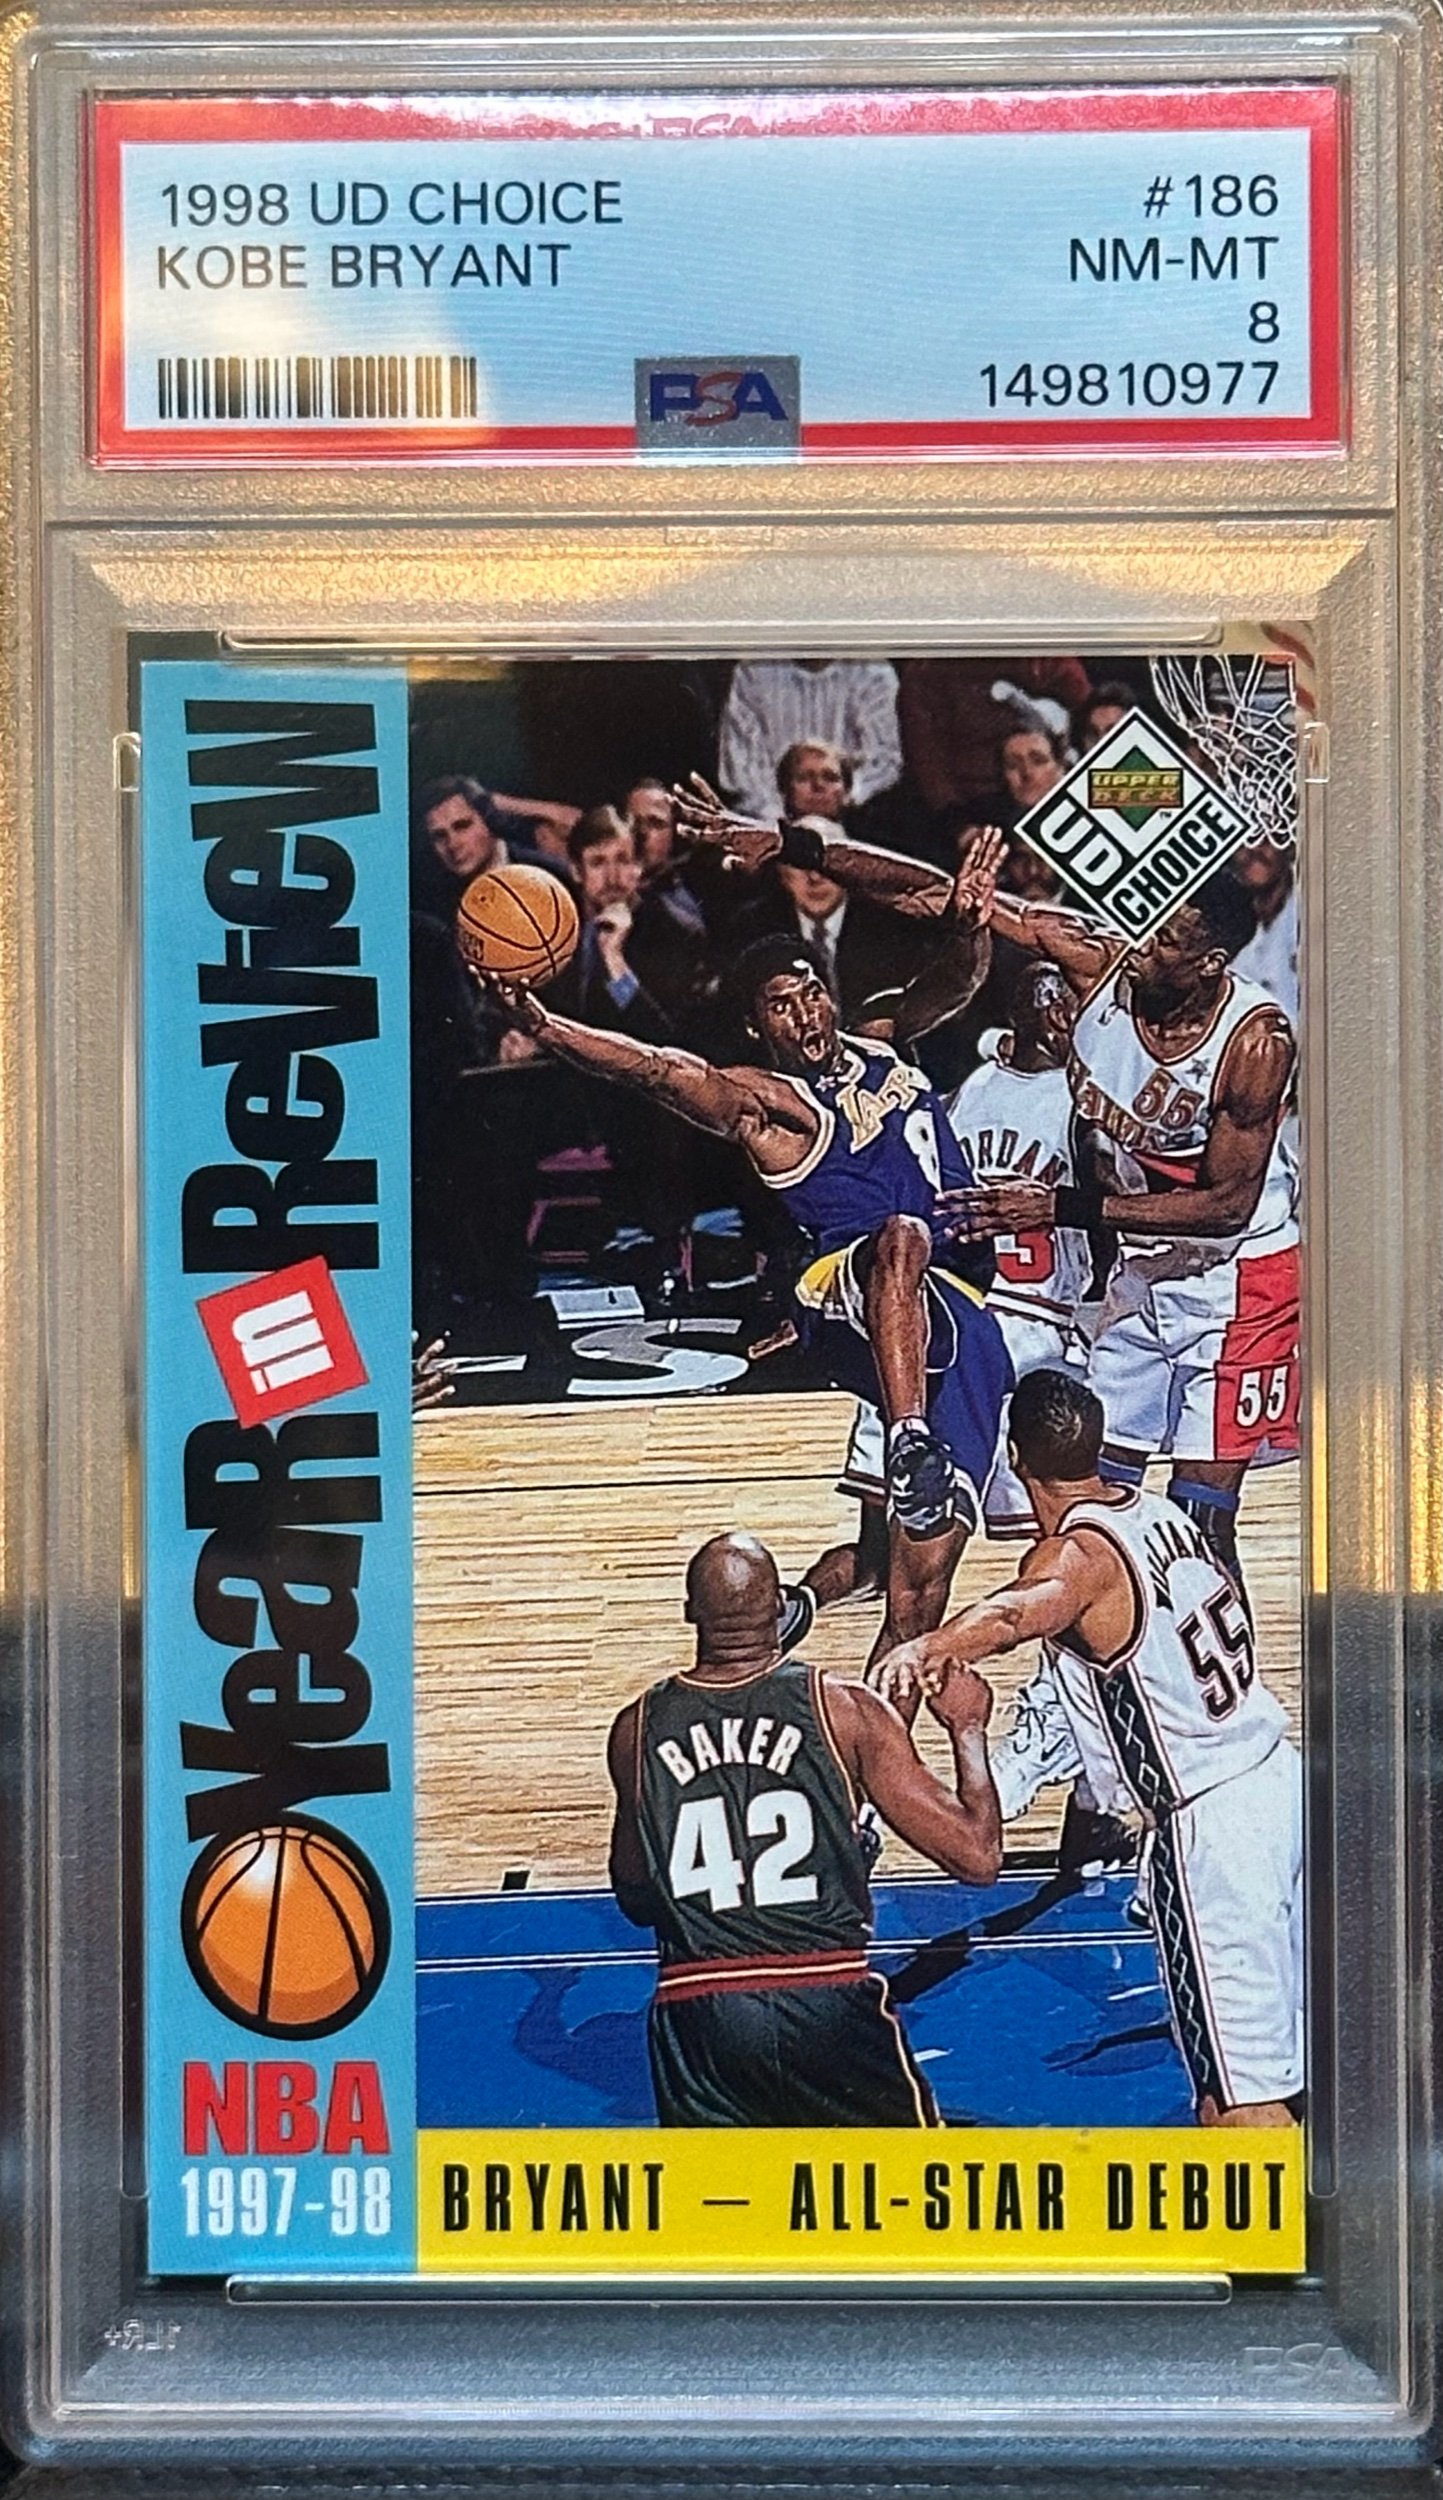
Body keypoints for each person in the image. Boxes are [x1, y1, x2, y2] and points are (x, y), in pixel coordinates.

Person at [482, 826, 1011, 1602]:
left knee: (905, 1570)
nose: (806, 1015)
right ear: (756, 1030)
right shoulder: (769, 1107)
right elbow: (656, 1070)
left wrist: (968, 925)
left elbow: (957, 982)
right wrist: (548, 1028)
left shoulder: (882, 1038)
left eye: (811, 993)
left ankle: (807, 1607)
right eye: (781, 1007)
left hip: (951, 1296)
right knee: (901, 1237)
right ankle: (908, 1443)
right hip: (846, 1289)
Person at [880, 1370, 1303, 2126]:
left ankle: (1266, 2215)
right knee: (1293, 2060)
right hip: (1277, 1780)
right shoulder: (1162, 1514)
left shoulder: (1074, 1558)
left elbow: (1016, 1615)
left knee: (1237, 2099)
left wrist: (930, 1646)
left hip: (1212, 1825)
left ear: (1014, 1457)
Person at [949, 877, 1299, 1610]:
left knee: (1201, 1523)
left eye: (1166, 939)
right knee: (1085, 1506)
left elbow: (1226, 1208)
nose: (1143, 944)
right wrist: (798, 847)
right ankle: (1090, 1672)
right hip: (1143, 1271)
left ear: (1208, 963)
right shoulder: (1103, 968)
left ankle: (1219, 1679)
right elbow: (947, 898)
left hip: (1238, 1280)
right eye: (1147, 925)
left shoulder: (1255, 1041)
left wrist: (1060, 1208)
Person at [607, 1530, 1001, 2126]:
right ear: (780, 1609)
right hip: (824, 1997)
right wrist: (968, 1729)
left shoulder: (636, 1728)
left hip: (699, 2014)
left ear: (690, 1612)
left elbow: (636, 1897)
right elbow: (978, 1856)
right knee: (898, 2181)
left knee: (725, 2188)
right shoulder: (844, 1709)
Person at [718, 659, 902, 824]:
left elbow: (883, 760)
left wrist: (842, 800)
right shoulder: (754, 672)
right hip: (766, 822)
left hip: (853, 822)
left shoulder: (872, 672)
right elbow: (743, 766)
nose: (817, 786)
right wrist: (784, 823)